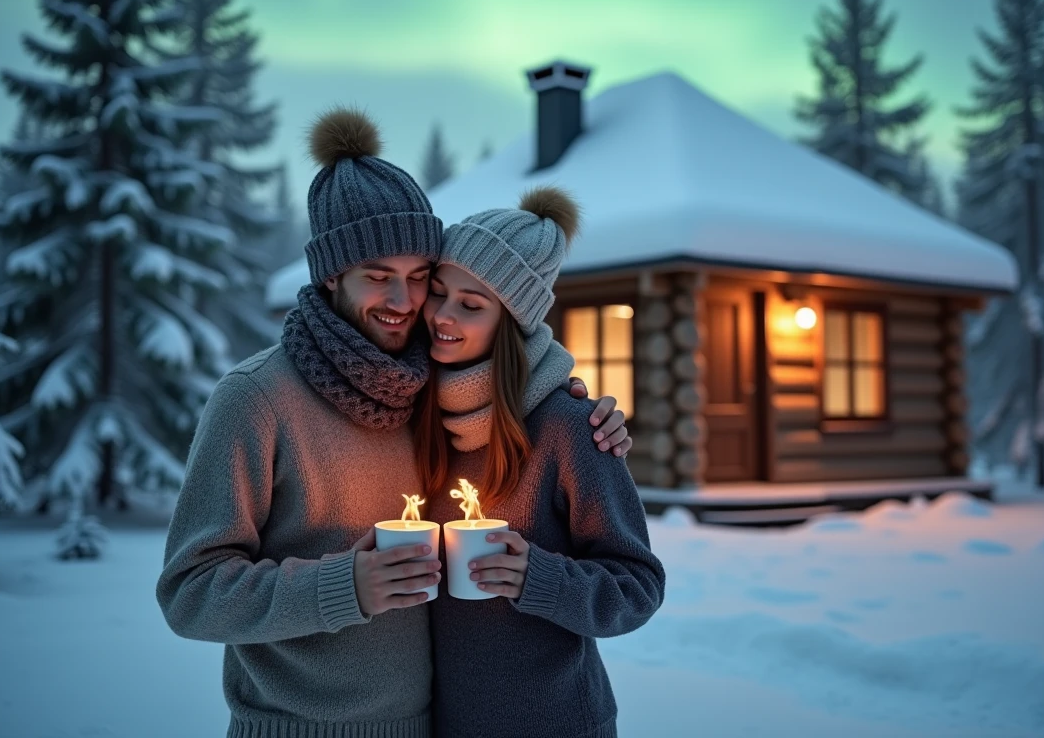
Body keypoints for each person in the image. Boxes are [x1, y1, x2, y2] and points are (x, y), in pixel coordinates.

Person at [156, 108, 631, 738]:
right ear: (332, 277)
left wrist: (575, 406)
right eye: (379, 278)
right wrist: (341, 586)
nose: (408, 304)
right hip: (298, 728)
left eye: (418, 279)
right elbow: (191, 593)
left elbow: (508, 379)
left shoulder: (426, 394)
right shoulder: (255, 400)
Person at [418, 187, 666, 738]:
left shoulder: (570, 426)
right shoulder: (416, 416)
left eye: (472, 305)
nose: (443, 315)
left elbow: (637, 586)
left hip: (557, 722)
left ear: (511, 320)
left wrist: (540, 578)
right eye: (439, 292)